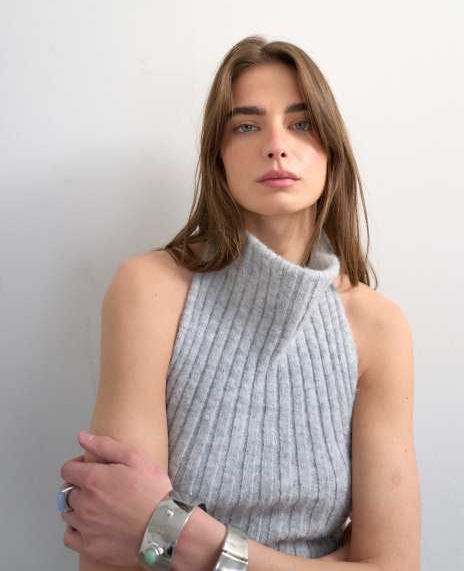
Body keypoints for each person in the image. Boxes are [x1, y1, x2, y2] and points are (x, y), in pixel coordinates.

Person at [58, 35, 421, 571]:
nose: (276, 145)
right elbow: (112, 545)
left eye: (302, 123)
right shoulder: (150, 290)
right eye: (246, 126)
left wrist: (188, 538)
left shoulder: (378, 327)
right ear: (218, 157)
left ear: (332, 151)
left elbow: (395, 567)